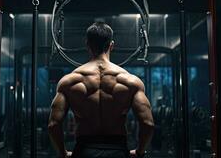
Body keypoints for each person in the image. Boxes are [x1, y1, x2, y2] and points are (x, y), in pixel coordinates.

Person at [48, 22, 154, 158]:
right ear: (112, 45)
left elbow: (53, 124)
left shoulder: (70, 81)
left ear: (87, 45)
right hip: (117, 151)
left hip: (84, 151)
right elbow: (148, 123)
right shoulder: (130, 82)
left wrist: (62, 153)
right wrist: (139, 152)